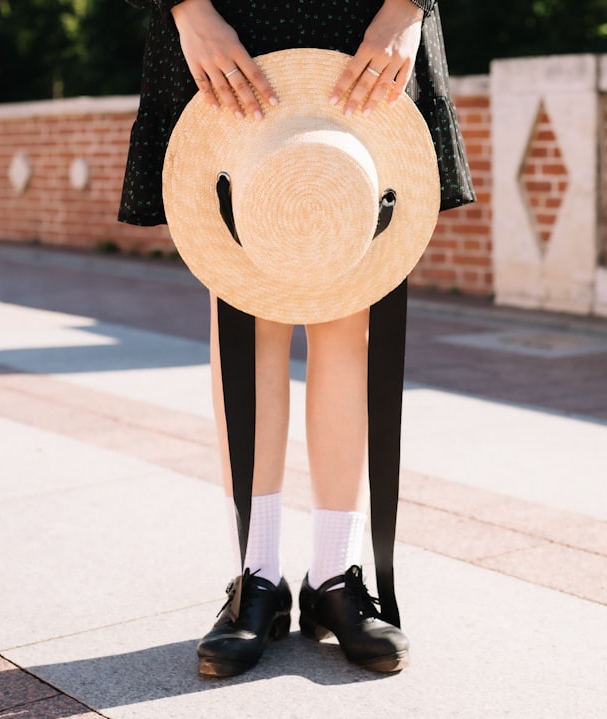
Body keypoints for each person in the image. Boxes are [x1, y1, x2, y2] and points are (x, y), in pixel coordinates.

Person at [119, 0, 474, 678]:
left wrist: (405, 8)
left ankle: (333, 576)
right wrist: (188, 10)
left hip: (365, 24)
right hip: (231, 24)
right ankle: (257, 577)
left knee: (348, 311)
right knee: (250, 308)